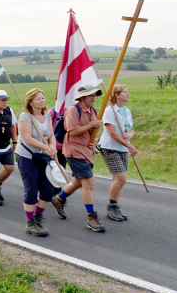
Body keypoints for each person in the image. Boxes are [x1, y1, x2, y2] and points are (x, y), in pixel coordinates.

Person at [50, 85, 106, 232]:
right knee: (89, 182)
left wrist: (95, 139)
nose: (94, 98)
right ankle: (91, 218)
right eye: (90, 96)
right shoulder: (73, 111)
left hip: (88, 151)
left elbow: (93, 132)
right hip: (74, 151)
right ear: (82, 97)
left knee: (77, 182)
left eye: (95, 96)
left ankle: (59, 199)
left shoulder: (93, 111)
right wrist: (92, 125)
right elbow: (73, 131)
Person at [15, 88, 58, 237]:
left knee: (47, 191)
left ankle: (39, 217)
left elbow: (51, 135)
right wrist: (47, 147)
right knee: (31, 190)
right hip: (27, 156)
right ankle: (30, 222)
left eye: (43, 98)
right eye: (38, 99)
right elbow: (28, 138)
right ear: (31, 102)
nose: (42, 101)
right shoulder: (25, 116)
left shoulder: (46, 116)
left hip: (43, 157)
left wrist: (52, 147)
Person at [98, 84, 137, 222]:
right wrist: (130, 146)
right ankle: (111, 205)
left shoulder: (126, 111)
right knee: (122, 178)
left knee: (117, 179)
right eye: (125, 92)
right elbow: (112, 133)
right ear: (116, 95)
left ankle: (114, 206)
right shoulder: (110, 111)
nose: (128, 94)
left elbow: (131, 129)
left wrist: (129, 136)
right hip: (110, 148)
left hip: (122, 148)